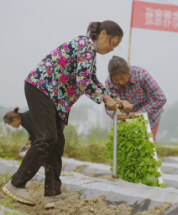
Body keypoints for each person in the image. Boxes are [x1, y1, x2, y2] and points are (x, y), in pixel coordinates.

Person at [2, 21, 133, 208]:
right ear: (103, 34)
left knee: (57, 142)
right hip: (42, 89)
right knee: (47, 137)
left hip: (56, 98)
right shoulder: (86, 45)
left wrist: (115, 99)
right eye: (112, 43)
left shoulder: (89, 52)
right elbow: (83, 82)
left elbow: (92, 80)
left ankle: (52, 194)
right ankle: (16, 184)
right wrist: (104, 99)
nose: (111, 49)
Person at [105, 56, 167, 143]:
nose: (120, 82)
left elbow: (161, 98)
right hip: (127, 120)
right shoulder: (109, 82)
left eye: (122, 78)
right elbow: (108, 104)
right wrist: (114, 114)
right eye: (116, 80)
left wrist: (140, 113)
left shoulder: (142, 75)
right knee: (128, 147)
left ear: (129, 70)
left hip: (149, 115)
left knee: (146, 146)